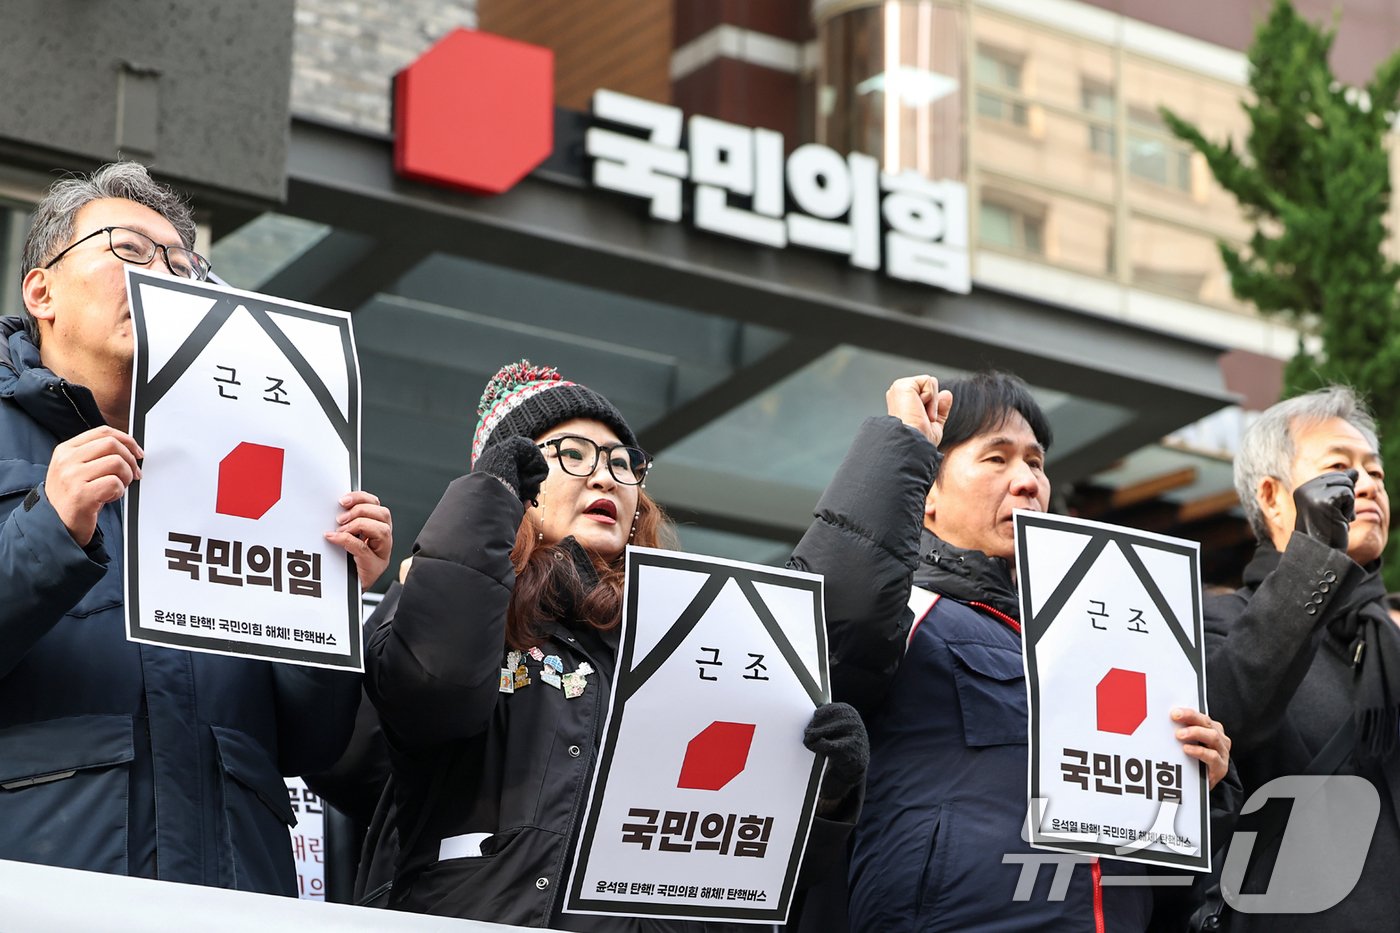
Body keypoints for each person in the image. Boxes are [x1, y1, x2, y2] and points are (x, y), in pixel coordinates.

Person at [364, 359, 940, 929]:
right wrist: (481, 508)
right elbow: (434, 689)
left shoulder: (684, 633)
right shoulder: (441, 590)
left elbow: (748, 863)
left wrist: (820, 791)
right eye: (572, 454)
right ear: (514, 480)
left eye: (623, 463)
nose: (605, 476)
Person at [0, 162, 393, 894]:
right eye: (130, 251)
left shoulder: (248, 453)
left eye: (184, 264)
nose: (162, 278)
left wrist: (326, 604)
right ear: (41, 290)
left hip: (232, 883)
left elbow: (311, 742)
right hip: (45, 881)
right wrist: (50, 529)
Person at [816, 371, 1235, 931]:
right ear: (929, 495)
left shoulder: (1101, 642)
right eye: (996, 459)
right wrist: (903, 446)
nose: (1026, 482)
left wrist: (1202, 787)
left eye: (1036, 463)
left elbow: (1169, 879)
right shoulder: (907, 612)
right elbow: (840, 626)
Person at [1203, 386, 1400, 929]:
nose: (1370, 485)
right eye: (1342, 467)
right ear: (1272, 496)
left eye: (1377, 472)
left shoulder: (1387, 640)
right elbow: (1228, 715)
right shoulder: (1221, 621)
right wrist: (1316, 558)